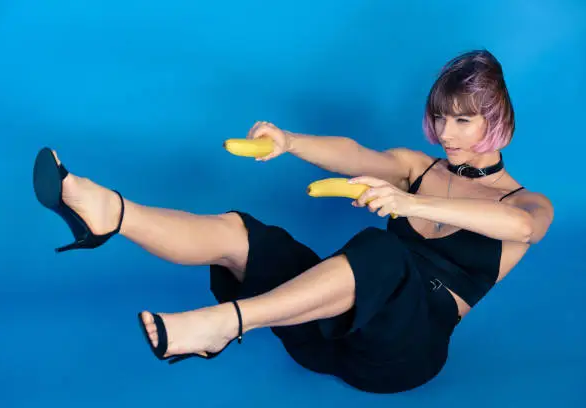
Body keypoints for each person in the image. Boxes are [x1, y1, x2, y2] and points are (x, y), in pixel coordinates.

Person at [32, 49, 553, 394]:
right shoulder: (421, 168)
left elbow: (520, 230)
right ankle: (113, 214)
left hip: (399, 355)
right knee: (246, 235)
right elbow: (354, 154)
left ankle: (226, 324)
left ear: (498, 121)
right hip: (327, 335)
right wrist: (288, 142)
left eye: (462, 118)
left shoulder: (527, 203)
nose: (446, 131)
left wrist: (411, 206)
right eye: (440, 117)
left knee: (383, 250)